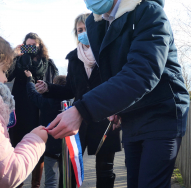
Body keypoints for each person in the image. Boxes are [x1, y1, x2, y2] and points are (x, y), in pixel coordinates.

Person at [47, 0, 190, 188]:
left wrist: (82, 109)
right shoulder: (95, 24)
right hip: (132, 118)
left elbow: (142, 73)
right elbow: (112, 74)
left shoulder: (149, 13)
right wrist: (115, 109)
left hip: (162, 112)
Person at [37, 13, 121, 188]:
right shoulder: (73, 59)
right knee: (70, 170)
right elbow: (70, 89)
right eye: (79, 30)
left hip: (105, 118)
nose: (83, 33)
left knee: (105, 172)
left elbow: (118, 86)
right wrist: (48, 88)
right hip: (78, 121)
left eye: (86, 28)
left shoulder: (108, 54)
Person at [0, 28, 48, 188]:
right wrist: (35, 140)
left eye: (34, 46)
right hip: (19, 106)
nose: (5, 78)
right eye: (3, 71)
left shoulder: (44, 62)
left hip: (34, 107)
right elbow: (6, 173)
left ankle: (36, 183)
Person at [7, 32, 58, 188]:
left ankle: (35, 183)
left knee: (39, 145)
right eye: (27, 45)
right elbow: (7, 76)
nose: (31, 49)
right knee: (17, 144)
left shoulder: (48, 63)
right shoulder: (18, 61)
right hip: (21, 109)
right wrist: (13, 55)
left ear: (40, 46)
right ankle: (19, 182)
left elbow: (55, 83)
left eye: (34, 46)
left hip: (40, 109)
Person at [25, 72, 66, 188]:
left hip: (50, 146)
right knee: (66, 178)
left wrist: (29, 80)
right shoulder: (70, 102)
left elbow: (32, 95)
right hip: (67, 146)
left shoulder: (47, 101)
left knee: (50, 179)